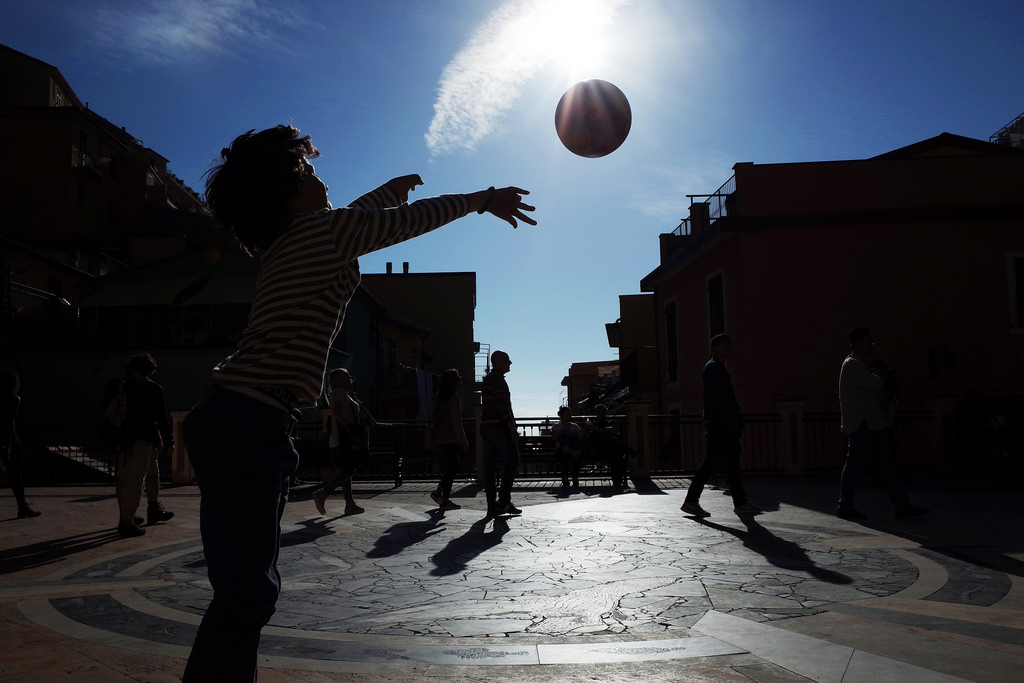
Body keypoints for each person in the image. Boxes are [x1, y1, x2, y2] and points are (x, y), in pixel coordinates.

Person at [180, 124, 535, 682]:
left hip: (233, 417)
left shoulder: (290, 238)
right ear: (286, 193)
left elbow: (353, 217)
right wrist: (481, 199)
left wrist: (389, 191)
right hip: (251, 422)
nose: (320, 178)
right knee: (246, 594)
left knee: (241, 588)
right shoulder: (322, 232)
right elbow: (401, 223)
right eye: (308, 172)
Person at [836, 328, 927, 521]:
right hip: (862, 423)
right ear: (857, 343)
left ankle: (902, 506)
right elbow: (876, 384)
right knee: (857, 465)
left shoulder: (858, 366)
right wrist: (876, 376)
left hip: (871, 423)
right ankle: (846, 505)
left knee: (885, 464)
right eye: (868, 341)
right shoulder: (852, 365)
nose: (871, 345)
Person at [681, 334, 761, 517]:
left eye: (729, 344)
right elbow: (719, 398)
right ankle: (693, 501)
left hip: (721, 423)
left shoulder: (716, 367)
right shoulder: (713, 368)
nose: (728, 347)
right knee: (718, 463)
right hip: (721, 424)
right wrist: (730, 417)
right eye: (724, 344)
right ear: (714, 348)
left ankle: (736, 502)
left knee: (725, 463)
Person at [115, 353, 174, 538]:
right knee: (135, 482)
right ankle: (126, 522)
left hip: (122, 440)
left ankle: (129, 515)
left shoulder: (120, 387)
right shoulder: (152, 389)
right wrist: (168, 441)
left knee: (125, 479)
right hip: (142, 439)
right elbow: (161, 417)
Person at [313, 368, 372, 516]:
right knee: (350, 468)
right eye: (346, 376)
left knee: (347, 467)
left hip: (341, 435)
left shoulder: (339, 393)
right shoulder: (340, 393)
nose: (349, 378)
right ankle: (324, 492)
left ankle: (349, 503)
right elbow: (337, 411)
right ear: (339, 379)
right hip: (346, 435)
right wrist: (349, 429)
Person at [479, 350, 522, 516]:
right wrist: (512, 428)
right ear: (497, 362)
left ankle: (492, 505)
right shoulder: (497, 380)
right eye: (507, 360)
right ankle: (503, 501)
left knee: (490, 466)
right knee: (513, 461)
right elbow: (502, 406)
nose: (510, 363)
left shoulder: (489, 379)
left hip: (487, 427)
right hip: (499, 427)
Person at [0, 370, 41, 519]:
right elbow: (9, 425)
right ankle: (22, 506)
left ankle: (23, 507)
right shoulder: (14, 400)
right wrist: (7, 447)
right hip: (10, 440)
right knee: (16, 476)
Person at [429, 368, 469, 511]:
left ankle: (439, 493)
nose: (460, 380)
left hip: (441, 437)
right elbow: (457, 423)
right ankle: (444, 499)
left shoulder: (439, 398)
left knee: (450, 468)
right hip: (451, 438)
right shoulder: (453, 399)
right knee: (452, 468)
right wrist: (464, 441)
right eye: (458, 378)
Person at [585, 404, 628, 490]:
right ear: (596, 413)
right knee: (616, 451)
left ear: (606, 412)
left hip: (610, 449)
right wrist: (587, 427)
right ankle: (617, 480)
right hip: (599, 450)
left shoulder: (611, 422)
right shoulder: (592, 424)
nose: (601, 413)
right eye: (599, 411)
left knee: (616, 455)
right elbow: (584, 436)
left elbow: (613, 430)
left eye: (603, 411)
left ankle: (617, 480)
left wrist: (596, 429)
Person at [552, 406, 583, 488]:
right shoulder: (556, 426)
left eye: (570, 414)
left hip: (574, 447)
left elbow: (581, 437)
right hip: (561, 448)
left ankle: (575, 477)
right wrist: (563, 430)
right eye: (566, 414)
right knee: (565, 456)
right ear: (561, 415)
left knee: (576, 456)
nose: (569, 416)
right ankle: (565, 477)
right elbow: (554, 438)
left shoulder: (575, 426)